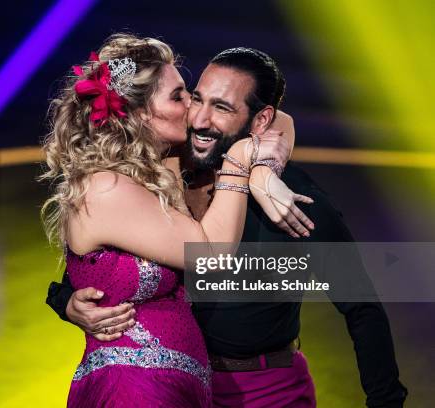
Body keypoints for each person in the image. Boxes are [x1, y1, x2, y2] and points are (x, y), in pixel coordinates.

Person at [47, 47, 408, 407]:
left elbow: (361, 306)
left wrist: (386, 401)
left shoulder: (293, 197)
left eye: (221, 107)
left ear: (260, 121)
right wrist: (67, 302)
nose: (200, 118)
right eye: (193, 98)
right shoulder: (157, 179)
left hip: (269, 391)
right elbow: (100, 265)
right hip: (173, 391)